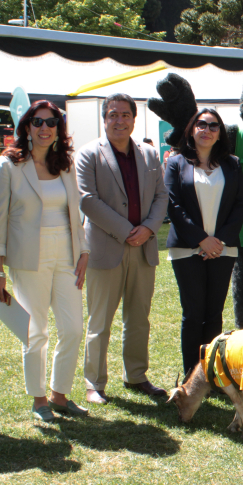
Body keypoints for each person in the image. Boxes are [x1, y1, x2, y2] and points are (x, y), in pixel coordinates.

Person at [0, 101, 89, 423]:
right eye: (38, 122)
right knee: (35, 331)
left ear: (59, 128)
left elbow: (75, 213)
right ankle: (39, 399)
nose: (45, 128)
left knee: (73, 328)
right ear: (27, 127)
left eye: (52, 122)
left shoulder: (66, 163)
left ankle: (60, 395)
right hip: (27, 256)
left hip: (67, 253)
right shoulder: (10, 164)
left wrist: (83, 251)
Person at [76, 93, 169, 404]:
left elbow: (161, 197)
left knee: (139, 318)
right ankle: (94, 383)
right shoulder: (89, 154)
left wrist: (148, 228)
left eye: (125, 115)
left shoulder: (149, 155)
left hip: (143, 248)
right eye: (113, 115)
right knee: (100, 320)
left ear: (134, 118)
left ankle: (136, 375)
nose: (119, 120)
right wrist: (127, 230)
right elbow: (87, 200)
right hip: (106, 248)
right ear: (105, 119)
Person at [164, 107, 243, 371]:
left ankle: (211, 373)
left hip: (223, 249)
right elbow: (173, 206)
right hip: (187, 250)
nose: (207, 130)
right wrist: (202, 240)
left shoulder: (232, 164)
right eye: (201, 124)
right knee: (193, 314)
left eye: (213, 126)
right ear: (192, 129)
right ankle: (192, 375)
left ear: (220, 133)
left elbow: (240, 204)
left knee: (214, 315)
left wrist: (218, 241)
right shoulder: (176, 163)